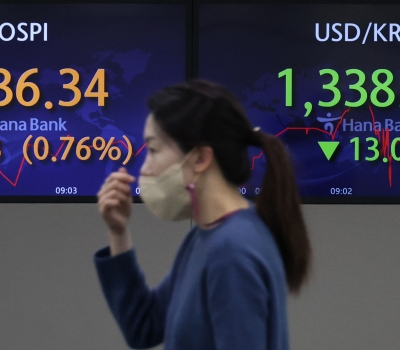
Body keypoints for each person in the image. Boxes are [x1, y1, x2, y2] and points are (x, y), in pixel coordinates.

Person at [94, 79, 311, 350]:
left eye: (152, 150)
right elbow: (144, 327)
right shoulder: (207, 235)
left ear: (200, 159)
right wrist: (118, 231)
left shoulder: (233, 249)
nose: (144, 169)